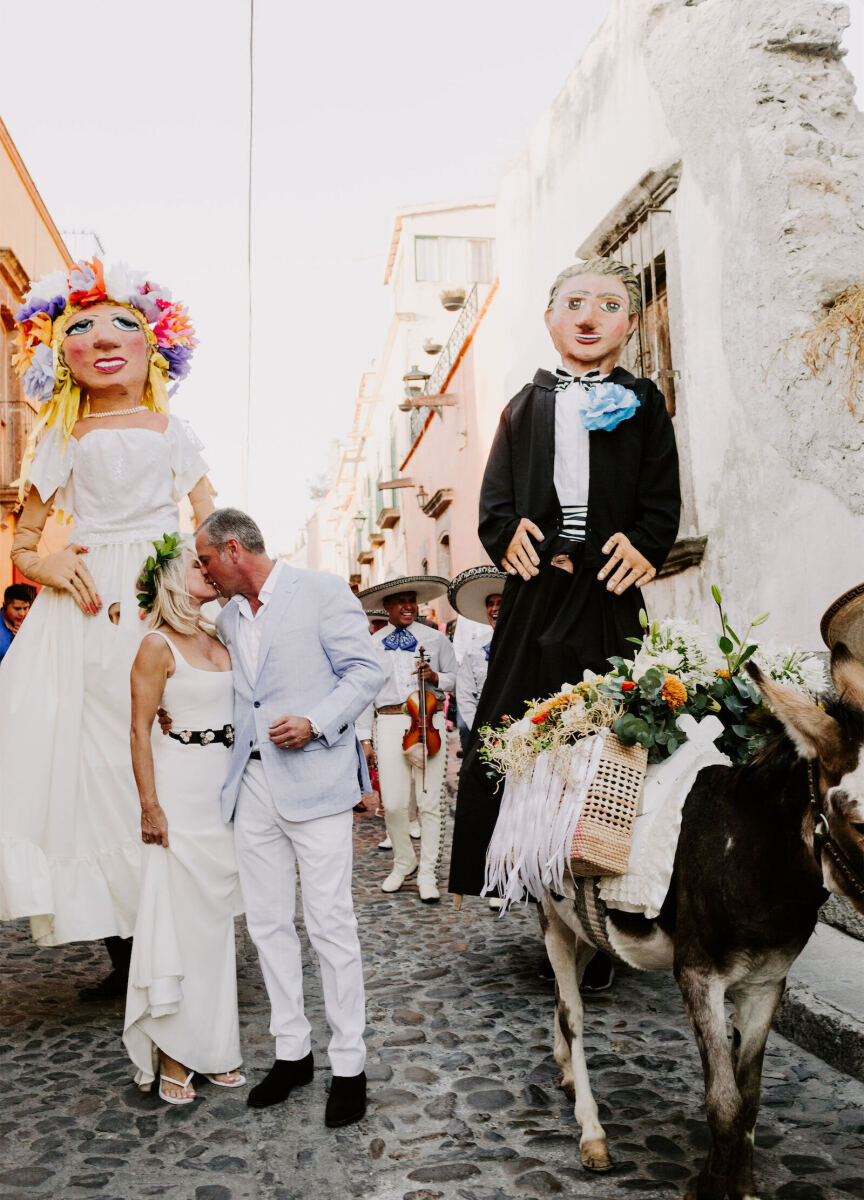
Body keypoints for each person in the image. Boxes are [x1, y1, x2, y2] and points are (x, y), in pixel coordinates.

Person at [449, 257, 680, 988]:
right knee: (523, 744)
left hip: (608, 598)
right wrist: (506, 533)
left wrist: (644, 545)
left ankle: (607, 904)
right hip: (536, 600)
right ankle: (540, 896)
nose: (588, 315)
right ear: (550, 320)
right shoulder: (523, 405)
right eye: (573, 303)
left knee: (617, 748)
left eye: (608, 304)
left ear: (630, 324)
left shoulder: (646, 403)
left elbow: (662, 499)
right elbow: (493, 503)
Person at [0, 258, 212, 1000]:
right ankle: (126, 948)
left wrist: (210, 581)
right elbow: (25, 541)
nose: (102, 337)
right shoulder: (63, 438)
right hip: (89, 615)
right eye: (81, 327)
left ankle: (183, 927)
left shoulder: (171, 429)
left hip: (165, 599)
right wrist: (46, 564)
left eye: (123, 322)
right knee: (102, 772)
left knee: (178, 750)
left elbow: (209, 518)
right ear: (61, 355)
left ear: (155, 345)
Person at [193, 508, 383, 1126]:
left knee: (329, 922)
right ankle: (292, 1052)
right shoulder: (224, 615)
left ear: (232, 550)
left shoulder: (322, 590)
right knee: (268, 923)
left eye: (206, 561)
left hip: (318, 783)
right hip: (251, 787)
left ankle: (349, 1064)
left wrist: (317, 721)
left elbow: (366, 672)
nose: (204, 572)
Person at [124, 536, 244, 1104]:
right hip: (179, 788)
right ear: (173, 577)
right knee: (177, 921)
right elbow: (139, 729)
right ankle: (173, 1053)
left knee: (217, 925)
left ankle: (215, 1048)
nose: (209, 569)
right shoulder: (154, 645)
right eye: (198, 564)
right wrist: (150, 804)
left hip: (225, 789)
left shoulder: (221, 633)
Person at [356, 577, 457, 903]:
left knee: (429, 804)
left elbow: (455, 677)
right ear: (386, 607)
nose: (408, 606)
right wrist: (364, 738)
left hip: (428, 720)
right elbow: (365, 692)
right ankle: (404, 860)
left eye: (411, 599)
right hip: (387, 722)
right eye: (399, 601)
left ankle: (427, 871)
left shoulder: (435, 639)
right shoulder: (372, 643)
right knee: (396, 805)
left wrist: (436, 677)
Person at [448, 566, 505, 753]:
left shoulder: (524, 642)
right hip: (482, 725)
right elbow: (465, 694)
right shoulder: (474, 648)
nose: (495, 608)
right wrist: (480, 731)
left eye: (500, 602)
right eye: (490, 603)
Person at [0, 584, 35, 664]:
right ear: (5, 605)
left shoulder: (32, 624)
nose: (22, 614)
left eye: (25, 608)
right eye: (17, 608)